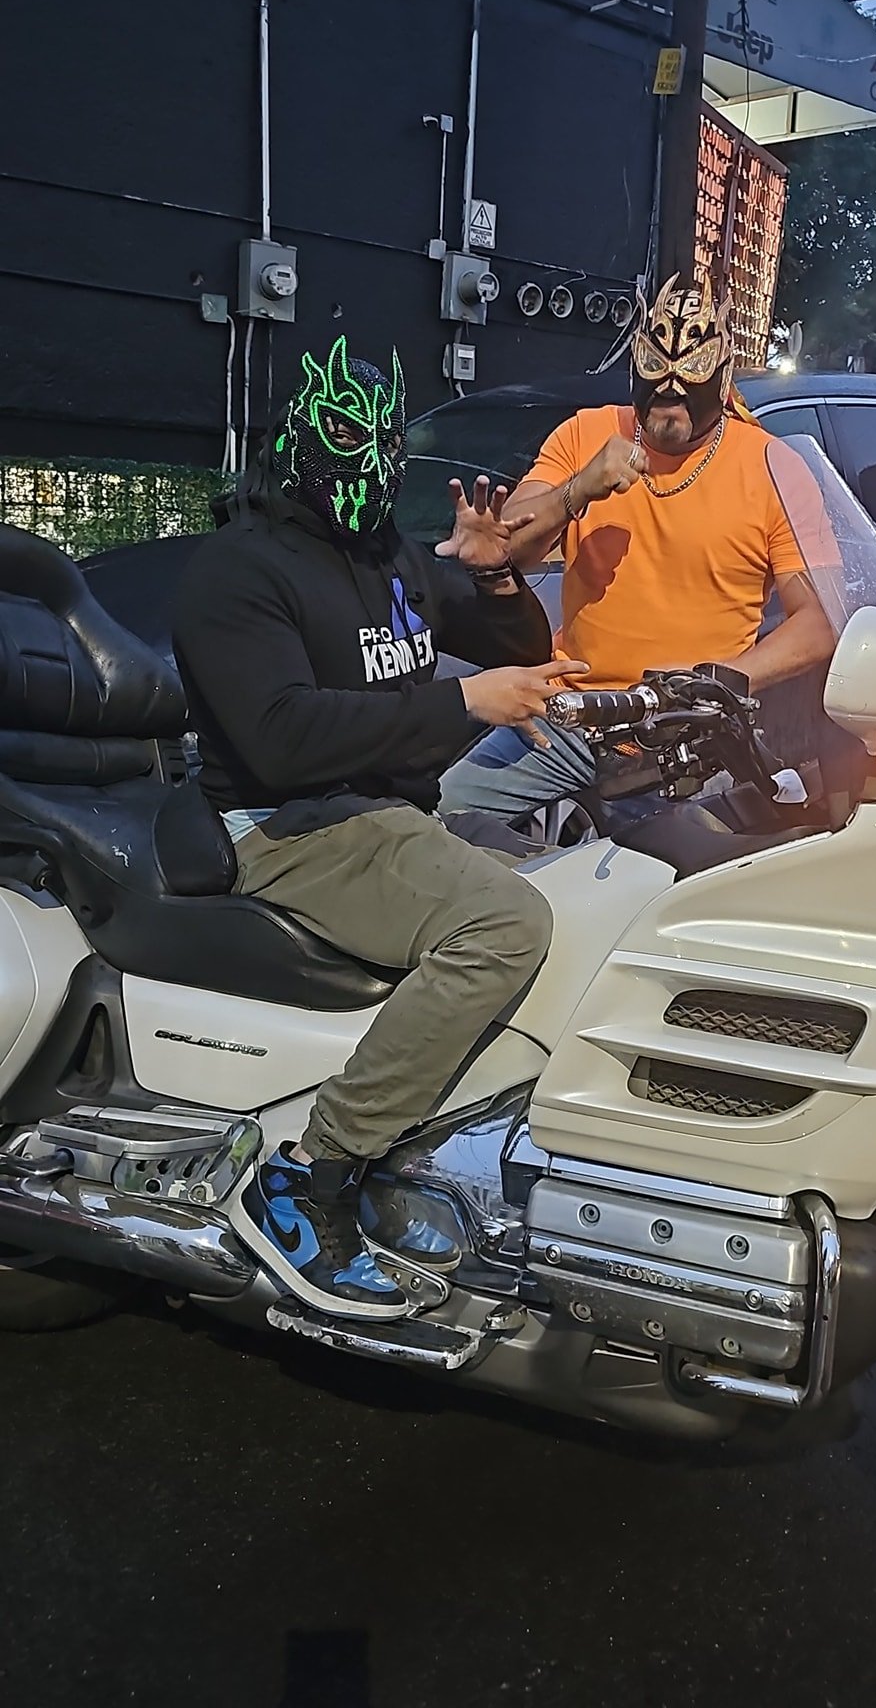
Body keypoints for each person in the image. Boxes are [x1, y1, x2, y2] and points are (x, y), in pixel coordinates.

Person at [173, 333, 585, 1320]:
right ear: (305, 438)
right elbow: (280, 740)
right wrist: (463, 702)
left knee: (587, 887)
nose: (375, 458)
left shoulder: (387, 553)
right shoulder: (240, 569)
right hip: (288, 826)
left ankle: (448, 1154)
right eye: (351, 435)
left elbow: (517, 642)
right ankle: (311, 1175)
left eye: (389, 438)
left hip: (385, 812)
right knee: (505, 924)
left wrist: (494, 574)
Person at [438, 273, 836, 825]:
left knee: (667, 869)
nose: (669, 398)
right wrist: (580, 488)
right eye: (657, 380)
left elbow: (818, 622)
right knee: (442, 815)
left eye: (687, 384)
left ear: (722, 381)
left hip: (686, 732)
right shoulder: (587, 433)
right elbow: (510, 546)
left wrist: (715, 681)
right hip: (570, 711)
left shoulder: (773, 468)